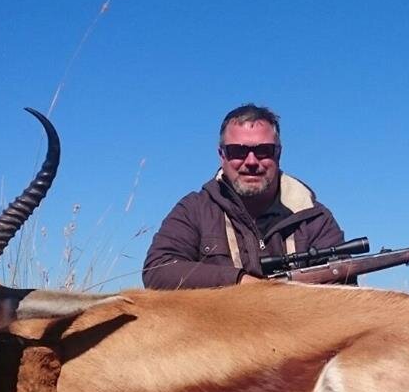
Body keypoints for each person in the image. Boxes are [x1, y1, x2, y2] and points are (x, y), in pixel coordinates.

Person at [142, 104, 347, 289]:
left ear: (278, 153)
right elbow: (157, 270)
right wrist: (242, 282)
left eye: (263, 150)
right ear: (222, 155)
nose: (251, 161)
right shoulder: (195, 209)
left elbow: (342, 288)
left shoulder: (314, 217)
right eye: (237, 152)